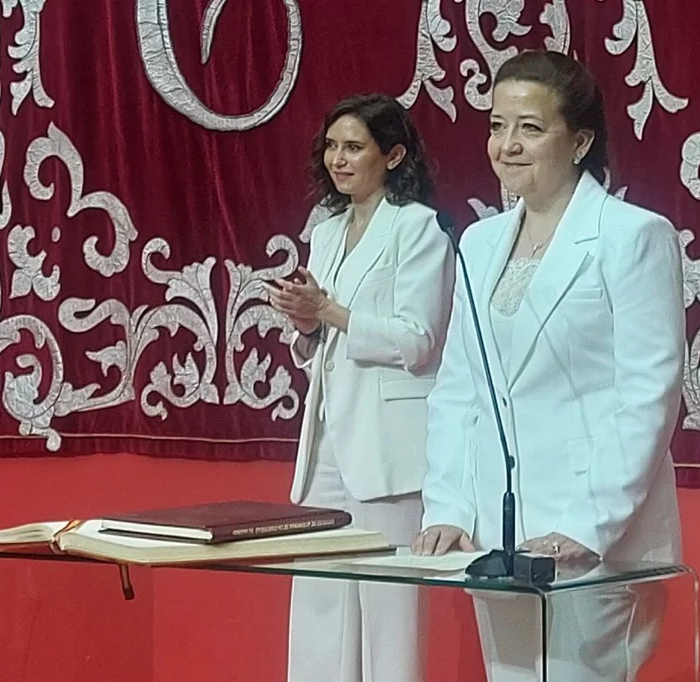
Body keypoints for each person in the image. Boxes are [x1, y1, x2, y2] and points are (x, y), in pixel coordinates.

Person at [412, 50, 686, 681]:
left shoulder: (633, 236)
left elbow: (648, 395)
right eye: (496, 125)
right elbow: (459, 389)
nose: (507, 145)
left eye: (530, 128)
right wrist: (448, 507)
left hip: (594, 538)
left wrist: (589, 525)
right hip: (496, 532)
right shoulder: (479, 244)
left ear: (580, 139)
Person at [268, 93, 454, 682]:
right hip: (328, 433)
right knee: (320, 596)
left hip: (388, 439)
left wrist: (332, 310)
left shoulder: (419, 229)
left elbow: (419, 339)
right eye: (331, 147)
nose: (338, 160)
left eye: (355, 147)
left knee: (389, 605)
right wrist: (306, 321)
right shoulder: (325, 232)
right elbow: (322, 338)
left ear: (393, 155)